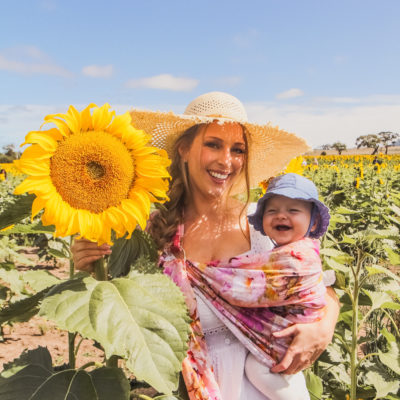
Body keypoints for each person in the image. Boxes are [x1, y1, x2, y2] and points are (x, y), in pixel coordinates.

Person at [71, 92, 340, 400]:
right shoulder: (149, 233)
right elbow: (120, 316)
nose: (226, 161)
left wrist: (324, 328)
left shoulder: (264, 224)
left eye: (237, 150)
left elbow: (319, 285)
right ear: (184, 149)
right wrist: (93, 272)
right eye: (213, 144)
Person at [243, 172, 332, 400]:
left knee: (262, 369)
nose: (281, 215)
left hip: (283, 339)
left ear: (313, 223)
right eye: (272, 211)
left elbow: (328, 287)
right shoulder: (288, 248)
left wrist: (324, 328)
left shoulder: (295, 255)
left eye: (293, 210)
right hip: (278, 339)